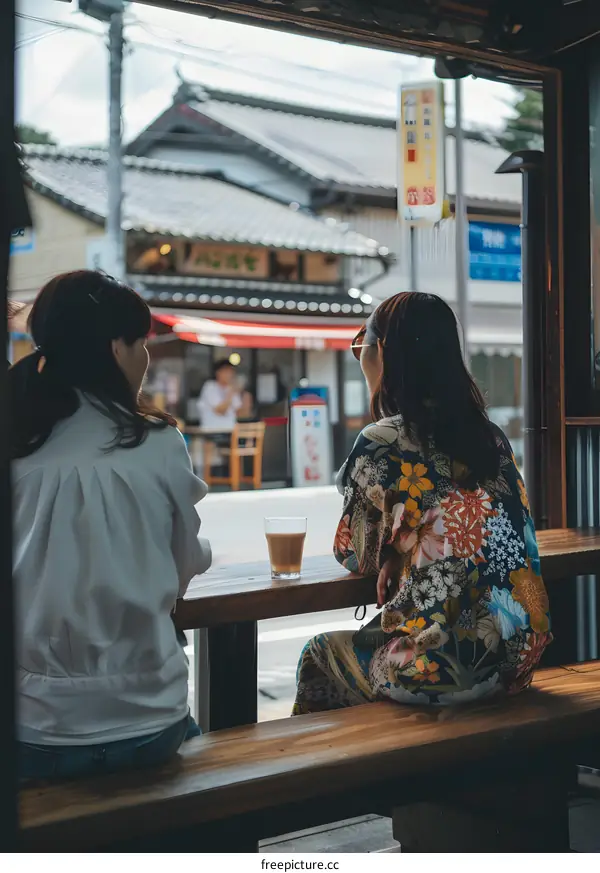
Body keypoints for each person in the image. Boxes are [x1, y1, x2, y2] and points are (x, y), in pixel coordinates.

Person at [294, 292, 550, 713]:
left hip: (444, 669)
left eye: (364, 345)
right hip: (516, 658)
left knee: (319, 657)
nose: (360, 356)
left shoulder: (381, 441)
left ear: (383, 353)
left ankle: (346, 779)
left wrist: (391, 550)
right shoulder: (492, 437)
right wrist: (404, 546)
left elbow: (353, 554)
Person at [10, 270, 211, 782]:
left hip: (36, 732)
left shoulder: (16, 445)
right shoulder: (159, 443)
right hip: (150, 725)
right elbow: (183, 567)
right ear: (117, 347)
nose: (146, 357)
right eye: (141, 343)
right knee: (195, 743)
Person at [197, 360, 242, 432]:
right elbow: (220, 410)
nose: (229, 375)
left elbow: (239, 412)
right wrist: (230, 394)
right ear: (218, 372)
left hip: (231, 432)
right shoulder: (210, 387)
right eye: (226, 371)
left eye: (231, 372)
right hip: (212, 433)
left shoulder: (231, 388)